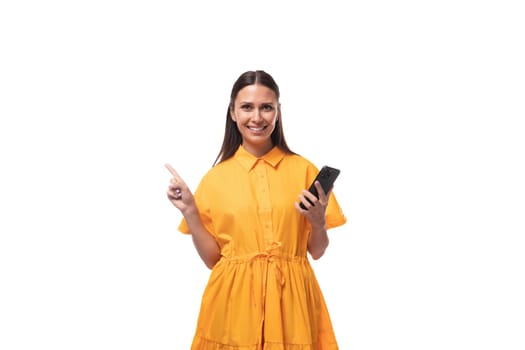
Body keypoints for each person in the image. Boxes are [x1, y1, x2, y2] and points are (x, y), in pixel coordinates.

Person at [165, 70, 347, 349]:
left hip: (292, 302)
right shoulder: (215, 179)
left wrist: (318, 222)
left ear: (278, 112)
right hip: (232, 303)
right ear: (233, 112)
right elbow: (213, 260)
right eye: (247, 107)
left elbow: (317, 251)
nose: (257, 117)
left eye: (266, 107)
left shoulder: (303, 170)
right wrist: (189, 210)